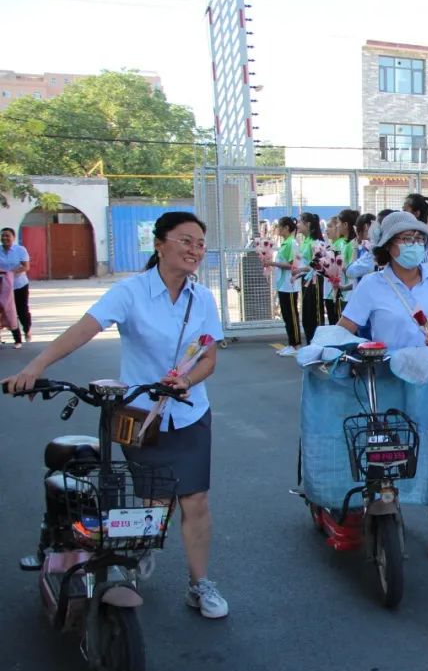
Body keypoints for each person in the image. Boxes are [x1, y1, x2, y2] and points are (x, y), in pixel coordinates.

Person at [4, 211, 230, 619]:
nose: (195, 249)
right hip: (142, 417)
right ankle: (141, 548)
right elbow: (83, 329)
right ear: (159, 245)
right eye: (185, 240)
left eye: (200, 243)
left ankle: (199, 584)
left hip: (192, 412)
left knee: (196, 500)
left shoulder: (204, 298)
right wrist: (35, 368)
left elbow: (209, 358)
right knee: (154, 501)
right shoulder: (131, 293)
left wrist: (188, 381)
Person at [337, 211, 428, 567]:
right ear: (386, 246)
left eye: (418, 239)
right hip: (386, 380)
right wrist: (346, 351)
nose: (413, 245)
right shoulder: (371, 285)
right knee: (386, 449)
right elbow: (347, 326)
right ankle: (381, 512)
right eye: (404, 239)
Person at [269, 216, 302, 356]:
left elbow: (291, 265)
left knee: (291, 315)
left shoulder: (291, 244)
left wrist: (273, 263)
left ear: (287, 228)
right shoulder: (286, 243)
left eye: (280, 227)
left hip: (290, 286)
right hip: (283, 285)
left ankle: (296, 344)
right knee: (286, 315)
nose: (278, 230)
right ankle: (291, 343)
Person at [0, 227, 32, 348]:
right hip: (3, 286)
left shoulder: (20, 250)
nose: (4, 238)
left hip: (20, 284)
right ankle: (17, 340)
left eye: (7, 236)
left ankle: (27, 329)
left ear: (13, 237)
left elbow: (25, 266)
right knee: (8, 311)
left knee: (21, 310)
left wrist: (10, 274)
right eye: (2, 236)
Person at [297, 212, 325, 344]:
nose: (297, 225)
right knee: (307, 314)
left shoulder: (316, 242)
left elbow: (317, 266)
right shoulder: (306, 241)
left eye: (300, 222)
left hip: (315, 281)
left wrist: (300, 270)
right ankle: (309, 343)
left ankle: (318, 344)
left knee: (315, 313)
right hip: (306, 280)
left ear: (308, 224)